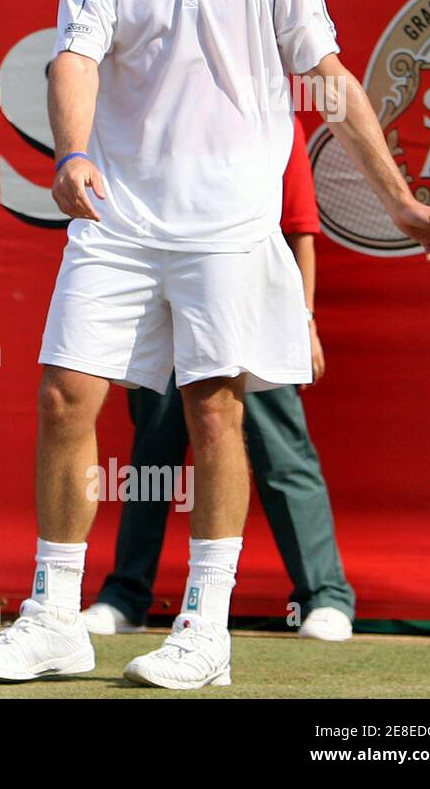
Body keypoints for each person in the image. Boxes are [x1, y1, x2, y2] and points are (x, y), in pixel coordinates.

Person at [0, 0, 430, 689]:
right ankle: (55, 617)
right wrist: (74, 155)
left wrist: (398, 204)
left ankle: (205, 629)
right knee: (65, 397)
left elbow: (332, 80)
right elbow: (75, 58)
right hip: (118, 215)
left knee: (216, 409)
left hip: (228, 223)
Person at [82, 117, 357, 643]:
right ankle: (126, 597)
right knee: (153, 458)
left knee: (282, 454)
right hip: (168, 310)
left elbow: (298, 226)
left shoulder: (275, 118)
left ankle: (325, 597)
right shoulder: (149, 115)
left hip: (255, 308)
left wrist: (303, 319)